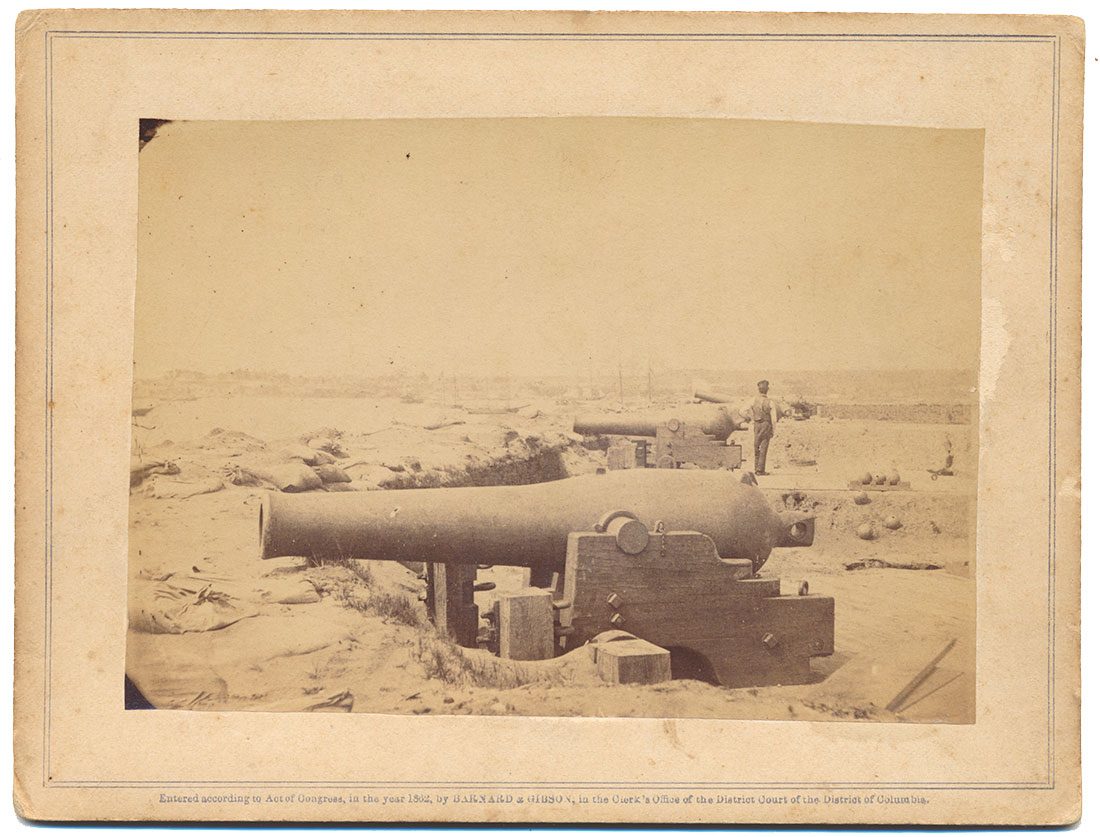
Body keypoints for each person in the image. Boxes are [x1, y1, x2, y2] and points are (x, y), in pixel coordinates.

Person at [750, 379, 778, 476]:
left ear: (758, 389)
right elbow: (774, 419)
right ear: (767, 389)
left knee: (756, 446)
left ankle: (756, 468)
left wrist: (752, 417)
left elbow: (742, 411)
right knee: (764, 447)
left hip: (756, 424)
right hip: (766, 425)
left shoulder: (753, 400)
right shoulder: (770, 402)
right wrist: (773, 431)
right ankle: (760, 470)